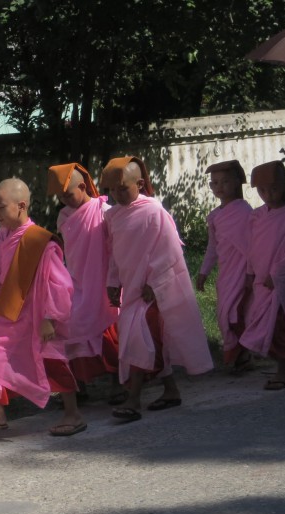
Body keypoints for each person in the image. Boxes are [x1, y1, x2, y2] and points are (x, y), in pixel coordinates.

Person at [100, 156, 213, 420]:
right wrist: (113, 283)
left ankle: (133, 399)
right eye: (112, 190)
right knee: (141, 340)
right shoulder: (112, 216)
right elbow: (115, 254)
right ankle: (171, 390)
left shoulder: (153, 211)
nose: (117, 194)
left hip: (153, 291)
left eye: (122, 188)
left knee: (141, 339)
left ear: (139, 183)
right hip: (130, 290)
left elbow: (169, 249)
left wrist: (155, 282)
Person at [0, 178, 85, 436]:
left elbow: (61, 284)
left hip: (40, 313)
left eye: (1, 208)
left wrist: (50, 318)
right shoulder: (2, 236)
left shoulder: (40, 241)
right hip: (13, 313)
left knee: (52, 361)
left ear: (21, 206)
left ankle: (73, 414)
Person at [46, 164, 122, 399]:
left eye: (68, 194)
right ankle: (79, 387)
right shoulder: (63, 216)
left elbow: (114, 249)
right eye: (60, 196)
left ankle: (118, 383)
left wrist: (113, 280)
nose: (64, 200)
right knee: (73, 327)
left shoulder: (104, 211)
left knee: (109, 329)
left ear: (83, 186)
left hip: (102, 281)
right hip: (77, 280)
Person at [195, 160, 254, 372]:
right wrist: (203, 272)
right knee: (224, 314)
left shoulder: (245, 212)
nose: (219, 187)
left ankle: (242, 354)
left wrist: (251, 273)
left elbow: (251, 247)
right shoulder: (215, 216)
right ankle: (239, 354)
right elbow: (213, 247)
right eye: (214, 183)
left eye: (225, 181)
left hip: (243, 271)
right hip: (226, 274)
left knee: (236, 313)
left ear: (237, 183)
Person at [240, 160, 285, 389]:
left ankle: (282, 371)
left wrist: (278, 273)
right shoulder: (256, 216)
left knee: (280, 325)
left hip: (282, 281)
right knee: (261, 323)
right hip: (261, 281)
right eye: (262, 190)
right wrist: (250, 273)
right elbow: (252, 247)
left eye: (273, 188)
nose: (268, 195)